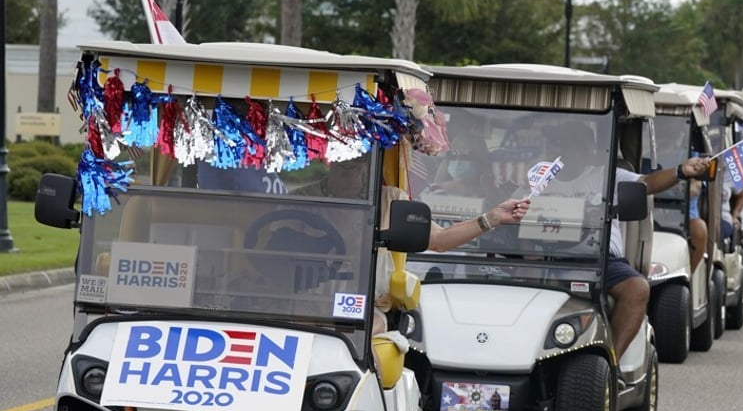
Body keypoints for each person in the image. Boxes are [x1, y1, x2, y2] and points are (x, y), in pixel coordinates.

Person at [296, 154, 529, 337]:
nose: (349, 166)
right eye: (342, 160)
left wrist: (492, 218)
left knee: (355, 347)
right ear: (329, 160)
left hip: (360, 308)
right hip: (301, 305)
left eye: (356, 161)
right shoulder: (300, 199)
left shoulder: (390, 200)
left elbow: (440, 240)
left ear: (367, 163)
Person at [542, 121, 709, 362]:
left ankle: (611, 361)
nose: (577, 151)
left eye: (582, 146)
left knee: (638, 288)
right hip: (548, 258)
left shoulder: (606, 175)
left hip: (600, 260)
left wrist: (681, 171)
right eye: (569, 145)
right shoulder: (543, 178)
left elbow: (648, 182)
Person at [688, 179, 708, 274]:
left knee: (700, 229)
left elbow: (694, 189)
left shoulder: (693, 167)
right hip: (649, 211)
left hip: (685, 218)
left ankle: (690, 273)